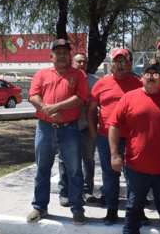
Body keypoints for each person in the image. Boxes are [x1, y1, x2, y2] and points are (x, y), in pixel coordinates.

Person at [108, 59, 160, 234]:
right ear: (141, 77)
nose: (151, 77)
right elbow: (114, 125)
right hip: (136, 168)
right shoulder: (129, 98)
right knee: (133, 209)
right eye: (148, 73)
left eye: (156, 74)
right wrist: (114, 155)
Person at [27, 39, 89, 225]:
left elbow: (81, 97)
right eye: (58, 52)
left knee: (75, 170)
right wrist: (46, 109)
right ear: (51, 55)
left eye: (65, 52)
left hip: (69, 129)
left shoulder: (79, 75)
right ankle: (40, 207)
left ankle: (77, 208)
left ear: (70, 55)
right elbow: (32, 95)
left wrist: (56, 106)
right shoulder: (41, 73)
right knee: (42, 169)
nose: (61, 55)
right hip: (45, 129)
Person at [86, 47, 142, 225]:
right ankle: (111, 210)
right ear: (111, 64)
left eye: (123, 62)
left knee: (133, 176)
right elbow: (91, 111)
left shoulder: (138, 83)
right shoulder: (101, 84)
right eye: (116, 62)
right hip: (105, 138)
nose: (119, 65)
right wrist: (95, 134)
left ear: (130, 64)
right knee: (110, 175)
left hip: (132, 138)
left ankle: (136, 211)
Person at [58, 53, 98, 206]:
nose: (82, 64)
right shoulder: (65, 78)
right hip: (68, 125)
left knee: (88, 159)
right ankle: (64, 192)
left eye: (84, 62)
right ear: (71, 62)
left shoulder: (94, 81)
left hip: (87, 126)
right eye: (78, 61)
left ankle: (87, 191)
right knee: (65, 159)